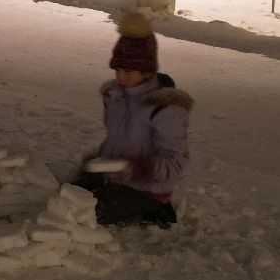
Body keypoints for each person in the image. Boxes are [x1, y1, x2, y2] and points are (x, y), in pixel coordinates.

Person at [71, 13, 192, 228]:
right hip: (114, 177)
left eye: (128, 71)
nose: (121, 77)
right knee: (68, 196)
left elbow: (175, 162)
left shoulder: (165, 109)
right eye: (117, 70)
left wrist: (139, 168)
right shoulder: (116, 97)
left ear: (146, 70)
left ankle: (155, 208)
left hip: (147, 188)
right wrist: (101, 161)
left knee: (85, 214)